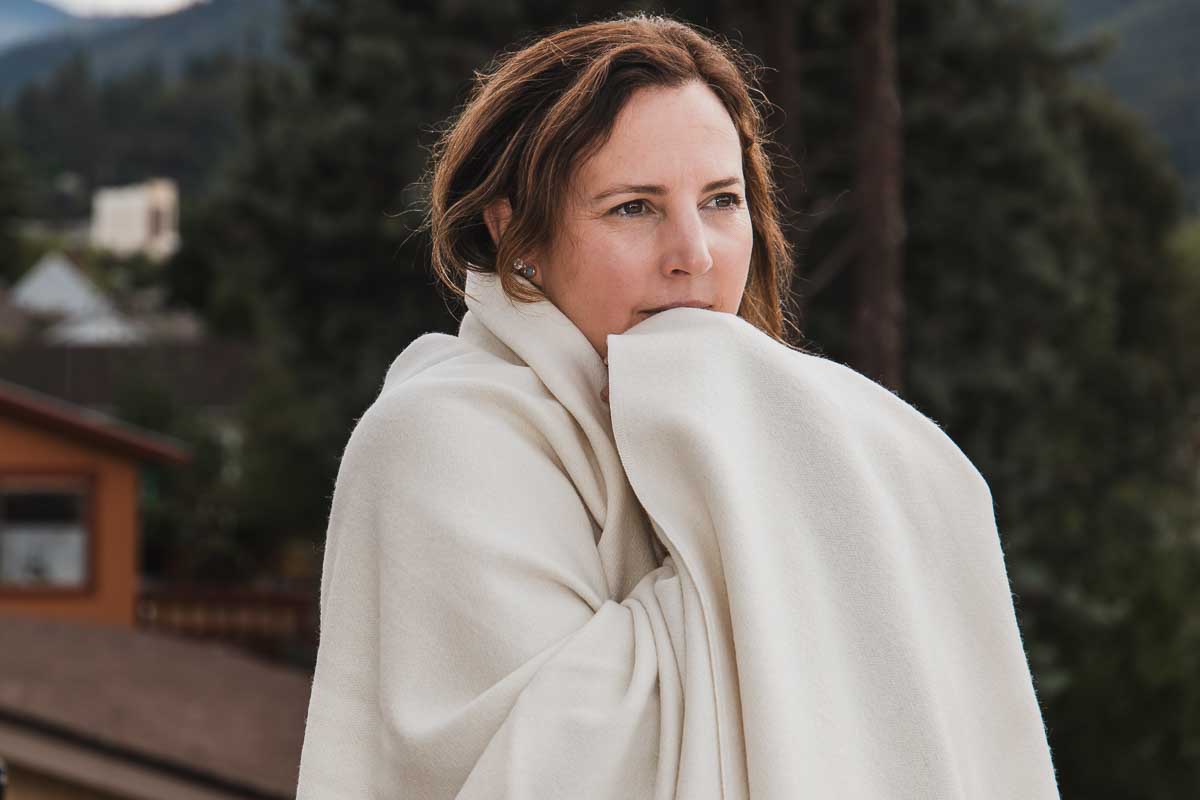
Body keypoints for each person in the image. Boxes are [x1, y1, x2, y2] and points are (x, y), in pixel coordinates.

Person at [295, 13, 1061, 799]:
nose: (693, 254)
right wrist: (795, 517)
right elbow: (568, 769)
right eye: (634, 207)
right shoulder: (441, 440)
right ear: (514, 232)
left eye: (722, 201)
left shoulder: (748, 426)